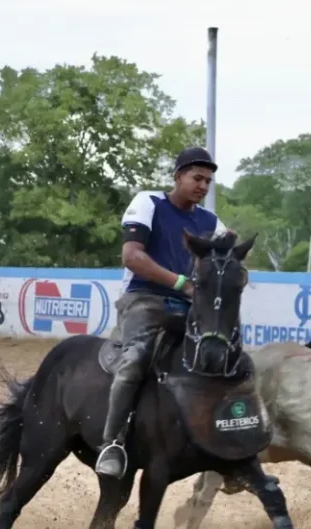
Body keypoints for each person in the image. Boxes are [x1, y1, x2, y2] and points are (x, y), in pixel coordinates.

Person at [95, 146, 225, 478]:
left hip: (189, 306)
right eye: (197, 178)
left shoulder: (210, 222)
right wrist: (182, 283)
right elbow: (132, 257)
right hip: (143, 299)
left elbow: (230, 259)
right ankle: (113, 444)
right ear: (178, 176)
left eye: (208, 182)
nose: (202, 186)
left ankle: (227, 443)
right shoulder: (148, 203)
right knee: (136, 359)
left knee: (222, 356)